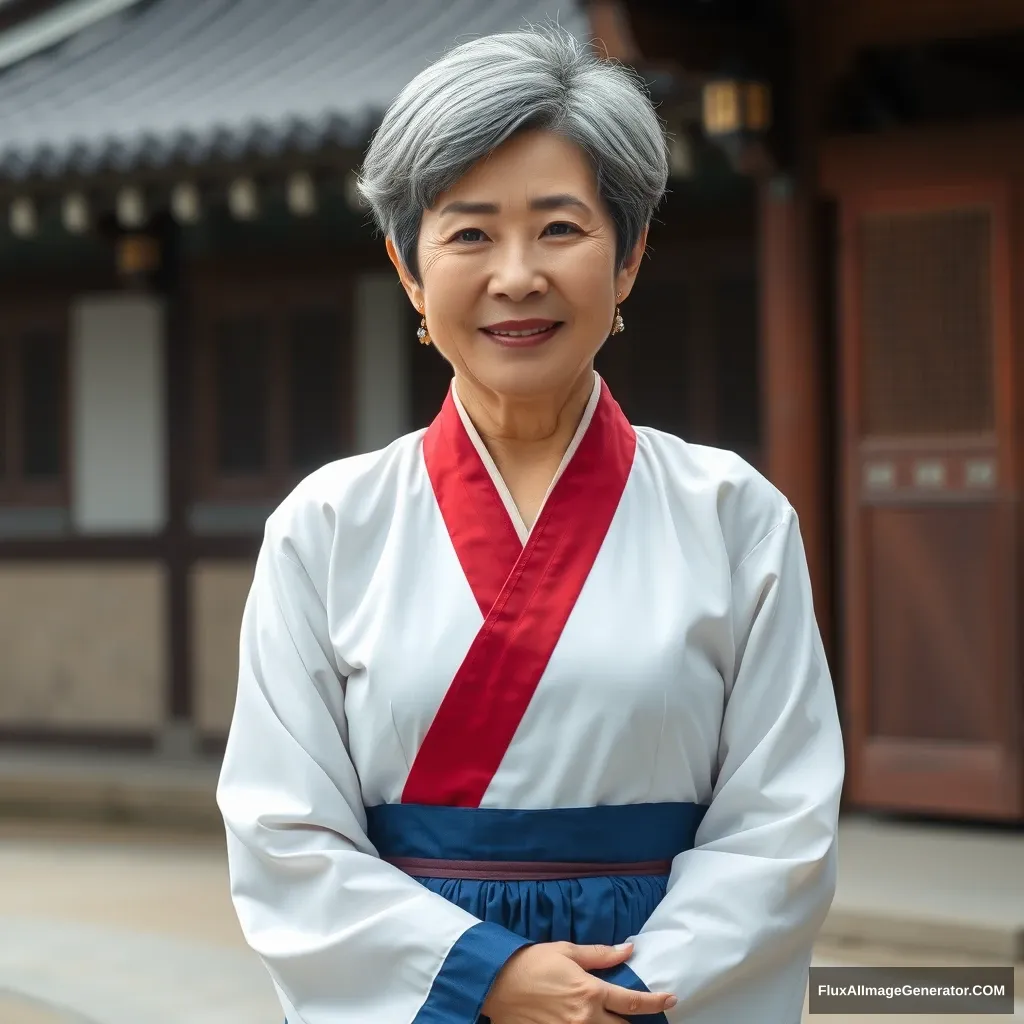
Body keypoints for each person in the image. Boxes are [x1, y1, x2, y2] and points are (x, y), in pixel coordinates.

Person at [216, 24, 844, 1024]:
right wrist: (488, 977)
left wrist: (619, 994)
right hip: (431, 995)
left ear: (628, 256)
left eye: (559, 228)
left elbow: (780, 823)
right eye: (469, 233)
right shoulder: (326, 528)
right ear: (410, 269)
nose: (516, 275)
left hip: (653, 991)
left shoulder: (733, 515)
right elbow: (283, 829)